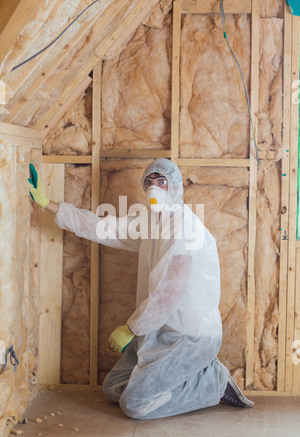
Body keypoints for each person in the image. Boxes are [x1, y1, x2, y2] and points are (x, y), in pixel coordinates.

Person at [28, 158, 253, 419]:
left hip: (189, 336)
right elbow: (103, 228)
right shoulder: (150, 221)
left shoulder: (185, 228)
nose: (154, 187)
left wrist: (132, 328)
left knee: (135, 404)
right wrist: (49, 205)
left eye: (161, 181)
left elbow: (170, 291)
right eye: (149, 181)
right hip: (159, 330)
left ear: (175, 187)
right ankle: (187, 374)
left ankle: (213, 381)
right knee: (114, 388)